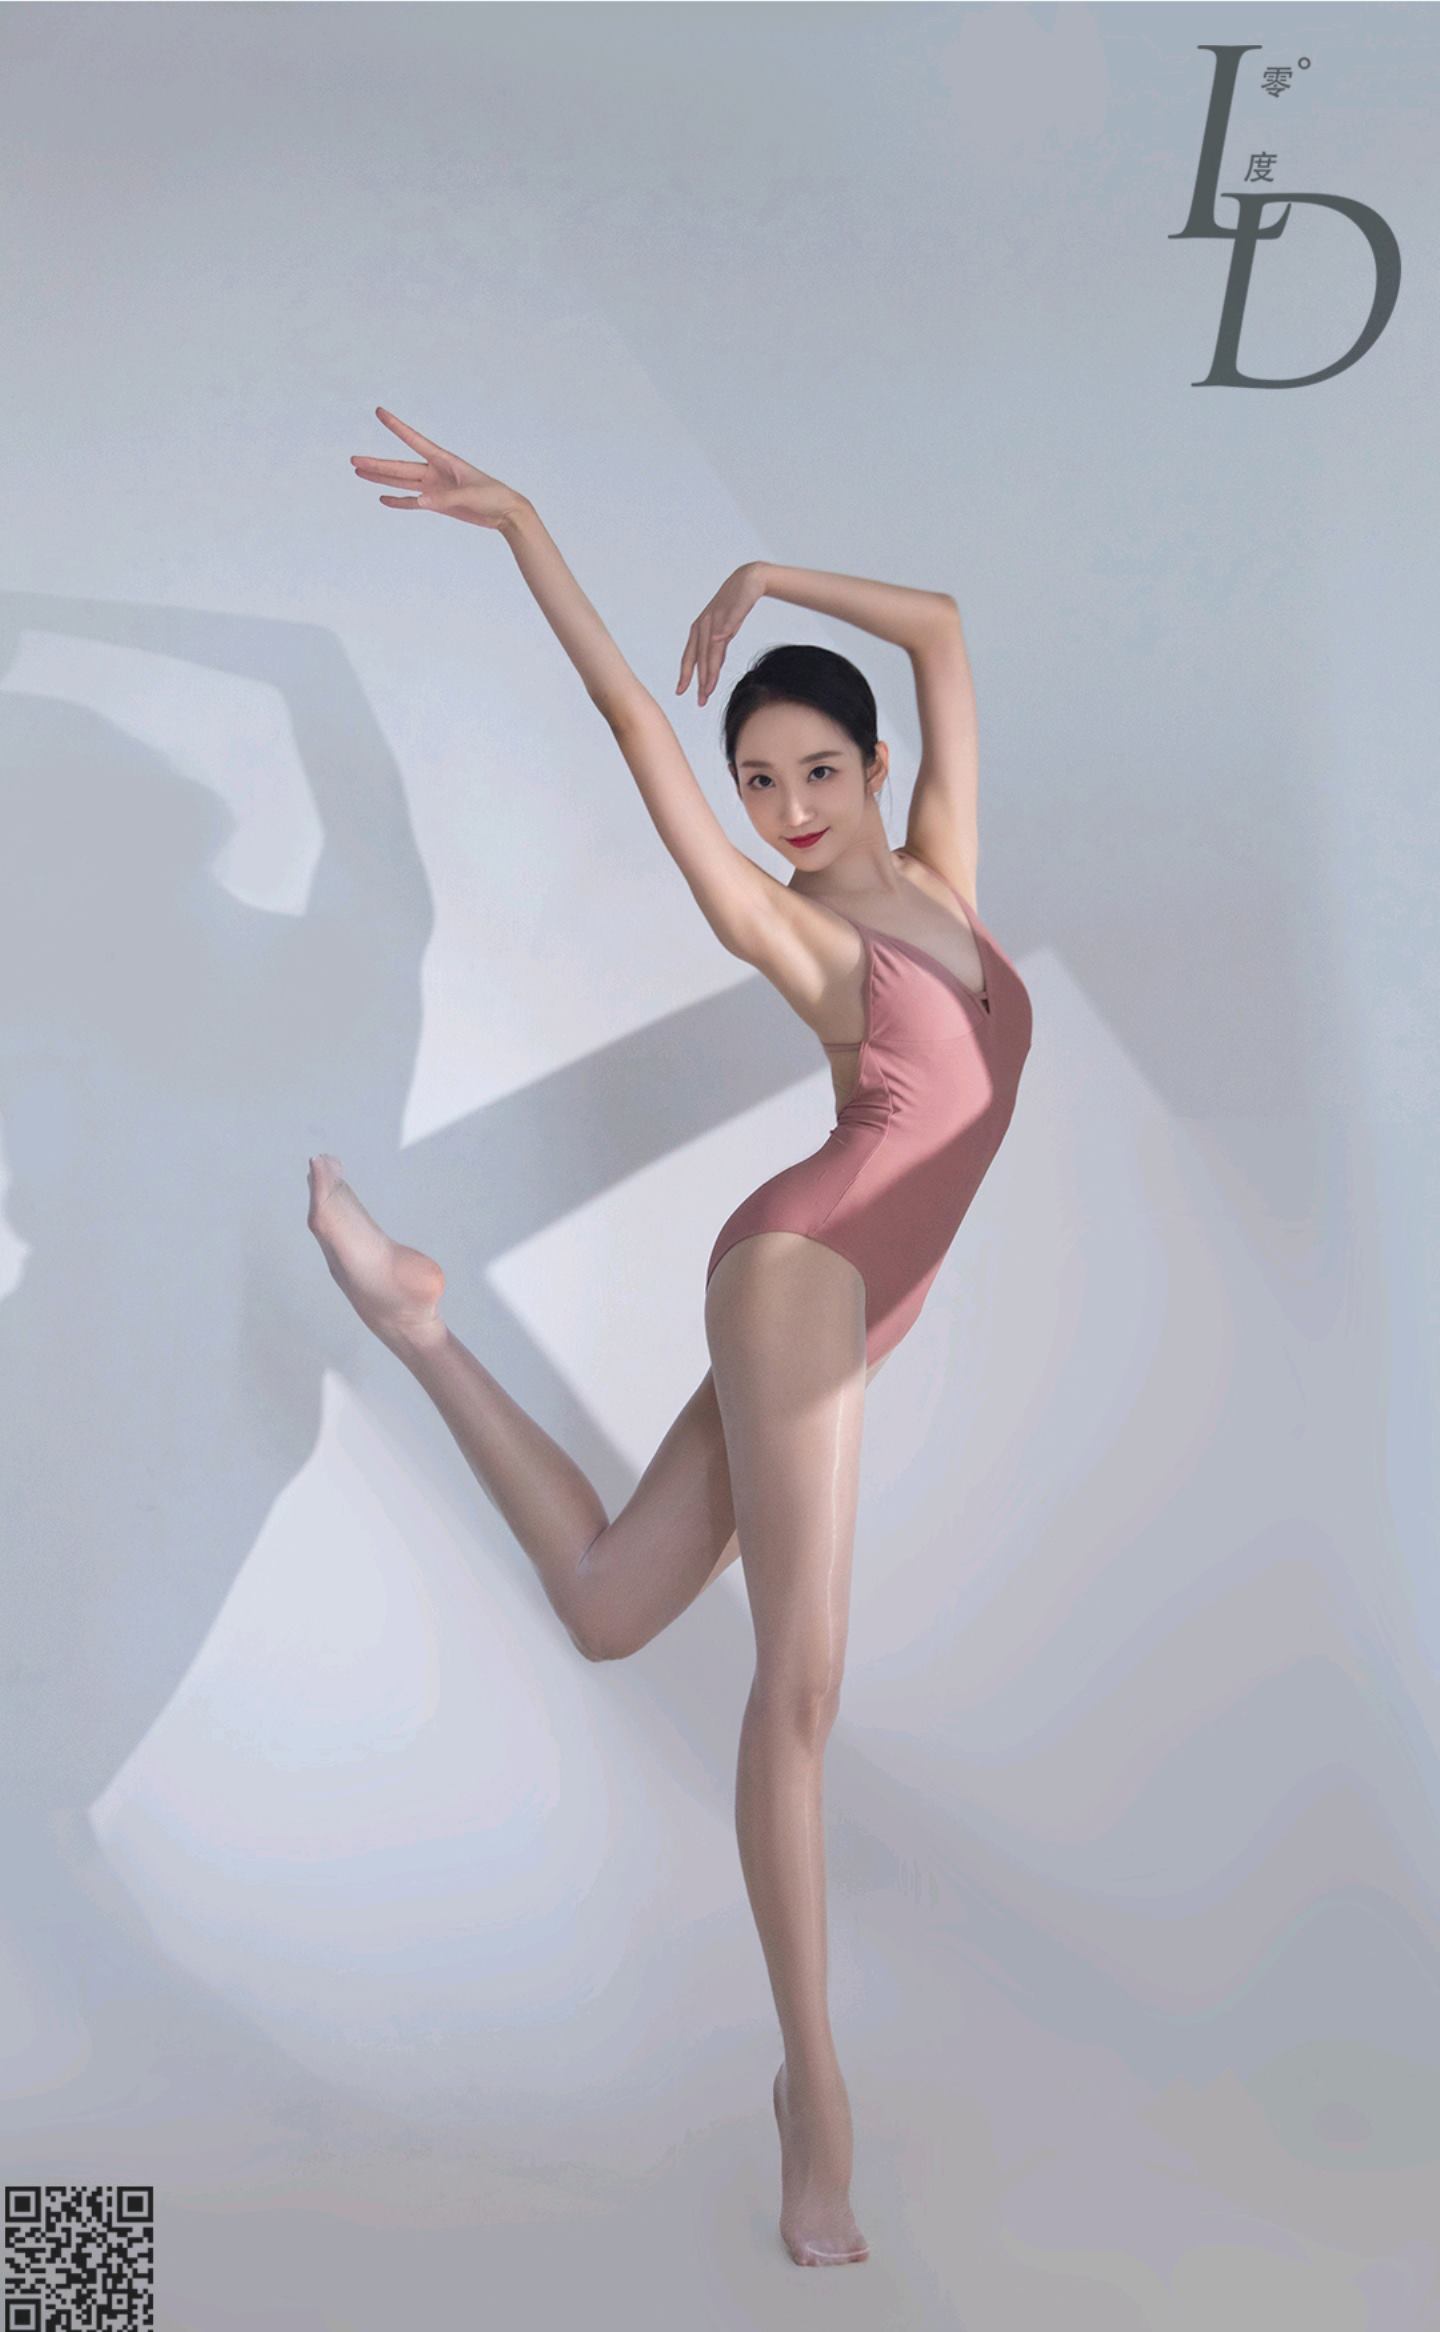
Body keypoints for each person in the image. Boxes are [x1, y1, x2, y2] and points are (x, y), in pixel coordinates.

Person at [307, 406, 1033, 2268]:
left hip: (864, 1293)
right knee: (800, 1692)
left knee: (614, 1603)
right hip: (807, 1270)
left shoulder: (944, 876)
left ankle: (418, 1330)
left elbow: (943, 628)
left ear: (875, 766)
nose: (789, 811)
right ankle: (816, 2105)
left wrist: (771, 572)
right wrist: (527, 529)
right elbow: (638, 722)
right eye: (760, 784)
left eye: (816, 772)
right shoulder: (801, 937)